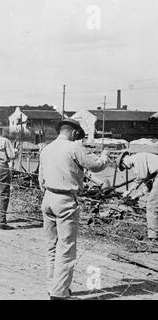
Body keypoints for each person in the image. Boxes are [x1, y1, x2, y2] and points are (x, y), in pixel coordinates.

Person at [39, 118, 110, 300]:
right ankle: (59, 292)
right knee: (66, 247)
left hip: (47, 197)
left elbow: (40, 180)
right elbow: (96, 166)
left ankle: (52, 286)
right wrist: (105, 156)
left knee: (51, 246)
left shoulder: (46, 149)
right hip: (65, 199)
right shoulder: (74, 148)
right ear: (73, 132)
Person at [117, 152, 158, 243]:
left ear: (124, 159)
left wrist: (129, 190)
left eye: (124, 166)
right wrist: (137, 195)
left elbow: (141, 177)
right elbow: (148, 183)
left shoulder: (137, 158)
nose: (127, 168)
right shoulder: (142, 162)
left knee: (151, 206)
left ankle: (153, 238)